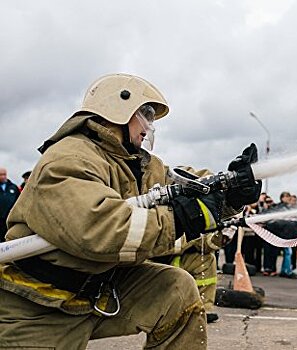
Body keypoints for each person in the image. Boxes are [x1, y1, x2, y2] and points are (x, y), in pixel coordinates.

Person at [0, 74, 261, 349]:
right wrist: (179, 218)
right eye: (146, 113)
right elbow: (100, 229)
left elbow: (181, 184)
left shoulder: (134, 163)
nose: (150, 125)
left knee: (176, 289)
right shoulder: (68, 159)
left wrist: (229, 192)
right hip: (41, 304)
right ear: (118, 109)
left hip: (99, 289)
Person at [0, 167, 20, 243]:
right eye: (0, 175)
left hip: (10, 219)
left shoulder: (13, 187)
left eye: (4, 174)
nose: (3, 177)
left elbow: (19, 201)